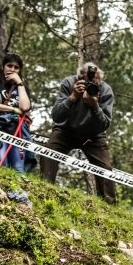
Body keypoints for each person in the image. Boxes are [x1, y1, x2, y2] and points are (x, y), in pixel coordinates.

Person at [39, 62, 115, 202]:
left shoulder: (105, 90)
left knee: (105, 168)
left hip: (93, 135)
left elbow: (104, 124)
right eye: (88, 82)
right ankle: (44, 193)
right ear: (80, 78)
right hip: (65, 130)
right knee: (48, 153)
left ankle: (109, 205)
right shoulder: (69, 83)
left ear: (100, 80)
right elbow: (56, 116)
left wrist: (95, 106)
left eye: (96, 83)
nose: (92, 85)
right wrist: (73, 97)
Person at [0, 53, 36, 172]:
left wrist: (19, 83)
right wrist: (13, 109)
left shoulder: (22, 89)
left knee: (18, 168)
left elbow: (25, 107)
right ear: (2, 67)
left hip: (17, 132)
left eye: (16, 67)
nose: (12, 70)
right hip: (0, 128)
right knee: (2, 162)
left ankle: (19, 186)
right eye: (9, 66)